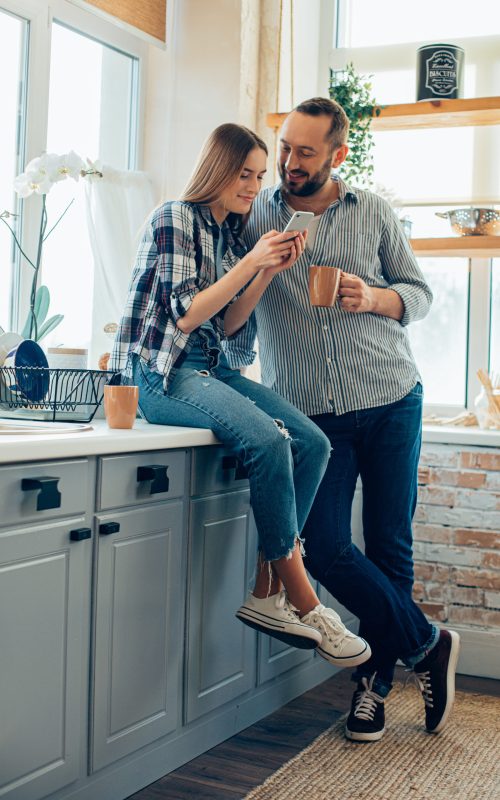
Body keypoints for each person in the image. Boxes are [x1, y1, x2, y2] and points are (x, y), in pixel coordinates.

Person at [223, 99, 460, 741]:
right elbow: (231, 328)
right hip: (312, 417)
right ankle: (427, 644)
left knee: (389, 546)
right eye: (285, 148)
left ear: (337, 155)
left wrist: (374, 296)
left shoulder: (373, 211)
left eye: (305, 152)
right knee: (323, 547)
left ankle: (374, 687)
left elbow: (418, 292)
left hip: (389, 397)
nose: (289, 164)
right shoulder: (257, 218)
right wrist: (261, 269)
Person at [109, 122, 371, 671]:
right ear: (218, 171)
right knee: (269, 444)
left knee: (312, 443)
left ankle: (263, 588)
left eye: (258, 175)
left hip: (207, 367)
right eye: (244, 174)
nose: (255, 186)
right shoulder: (173, 218)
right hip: (158, 372)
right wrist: (253, 262)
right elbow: (186, 313)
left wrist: (267, 270)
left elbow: (228, 327)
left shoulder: (231, 233)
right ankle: (304, 601)